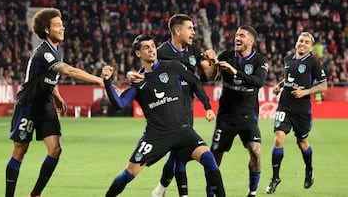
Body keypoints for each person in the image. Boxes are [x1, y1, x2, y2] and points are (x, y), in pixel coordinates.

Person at [102, 34, 225, 197]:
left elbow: (195, 82)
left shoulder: (173, 66)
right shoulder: (139, 82)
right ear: (138, 54)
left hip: (182, 130)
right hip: (157, 135)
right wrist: (107, 82)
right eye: (146, 47)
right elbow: (120, 104)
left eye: (153, 46)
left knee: (209, 159)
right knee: (129, 173)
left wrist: (208, 107)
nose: (152, 50)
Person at [5, 8, 104, 197]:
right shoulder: (44, 52)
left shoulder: (57, 51)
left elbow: (50, 76)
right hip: (29, 104)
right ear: (47, 30)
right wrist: (99, 80)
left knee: (55, 149)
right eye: (58, 25)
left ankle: (35, 194)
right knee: (20, 150)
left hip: (45, 104)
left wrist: (57, 95)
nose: (63, 27)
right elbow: (69, 71)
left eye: (62, 24)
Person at [128, 14, 217, 197]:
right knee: (179, 155)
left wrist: (213, 61)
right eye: (190, 28)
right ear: (177, 31)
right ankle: (173, 192)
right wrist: (131, 75)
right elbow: (144, 72)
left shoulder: (194, 49)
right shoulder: (161, 51)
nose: (193, 32)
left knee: (178, 155)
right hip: (169, 109)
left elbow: (209, 76)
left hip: (188, 109)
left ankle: (160, 190)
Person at [208, 25, 269, 197]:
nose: (237, 38)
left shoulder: (260, 60)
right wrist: (211, 61)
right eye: (236, 35)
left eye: (241, 35)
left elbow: (258, 82)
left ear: (251, 41)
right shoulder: (226, 56)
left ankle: (252, 191)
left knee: (256, 152)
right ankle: (210, 192)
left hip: (248, 116)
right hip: (226, 116)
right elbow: (212, 76)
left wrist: (234, 72)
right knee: (214, 158)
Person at [266, 32, 327, 194]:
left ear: (311, 47)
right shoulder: (288, 59)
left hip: (301, 110)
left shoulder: (313, 62)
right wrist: (279, 85)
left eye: (307, 42)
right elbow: (288, 77)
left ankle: (309, 170)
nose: (303, 44)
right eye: (301, 40)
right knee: (278, 138)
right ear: (296, 43)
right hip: (284, 106)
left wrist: (305, 92)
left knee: (302, 143)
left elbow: (323, 86)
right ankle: (275, 178)